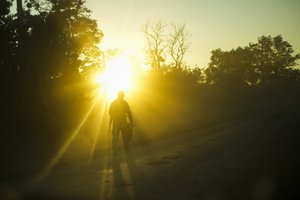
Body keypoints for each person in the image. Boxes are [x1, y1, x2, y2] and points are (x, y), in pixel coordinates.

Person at [109, 90, 133, 156]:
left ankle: (115, 152)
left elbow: (110, 113)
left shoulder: (113, 103)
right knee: (124, 136)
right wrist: (131, 121)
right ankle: (127, 151)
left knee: (115, 138)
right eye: (122, 95)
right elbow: (128, 113)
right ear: (122, 95)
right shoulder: (124, 103)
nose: (122, 96)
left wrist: (114, 116)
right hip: (122, 121)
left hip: (116, 122)